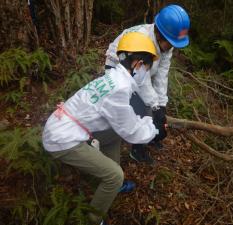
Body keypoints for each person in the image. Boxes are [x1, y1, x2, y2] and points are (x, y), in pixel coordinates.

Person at [42, 32, 167, 225]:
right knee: (115, 176)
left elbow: (123, 121)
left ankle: (110, 179)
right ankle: (94, 219)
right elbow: (132, 132)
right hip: (62, 139)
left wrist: (149, 122)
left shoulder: (114, 78)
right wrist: (155, 130)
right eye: (147, 69)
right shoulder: (119, 89)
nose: (145, 75)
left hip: (62, 125)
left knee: (114, 134)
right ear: (138, 64)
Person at [105, 4, 190, 164]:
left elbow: (161, 74)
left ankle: (150, 135)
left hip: (140, 69)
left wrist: (161, 105)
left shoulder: (167, 43)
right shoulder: (142, 41)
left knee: (152, 108)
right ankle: (137, 149)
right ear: (160, 34)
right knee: (139, 108)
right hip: (119, 66)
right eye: (170, 43)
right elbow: (141, 82)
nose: (172, 47)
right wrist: (155, 108)